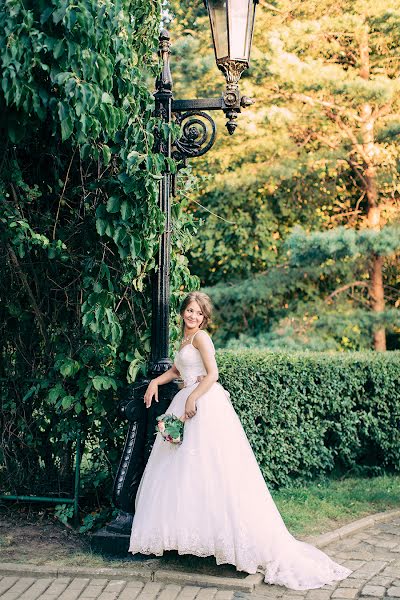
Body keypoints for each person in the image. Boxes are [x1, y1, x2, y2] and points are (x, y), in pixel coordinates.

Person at [129, 291, 351, 590]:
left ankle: (234, 543)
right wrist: (157, 381)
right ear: (183, 313)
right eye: (189, 311)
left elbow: (213, 374)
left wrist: (193, 397)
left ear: (204, 317)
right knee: (185, 474)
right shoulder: (184, 339)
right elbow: (177, 370)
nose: (193, 316)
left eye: (198, 313)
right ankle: (192, 538)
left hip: (203, 406)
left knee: (215, 471)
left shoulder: (202, 338)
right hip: (185, 402)